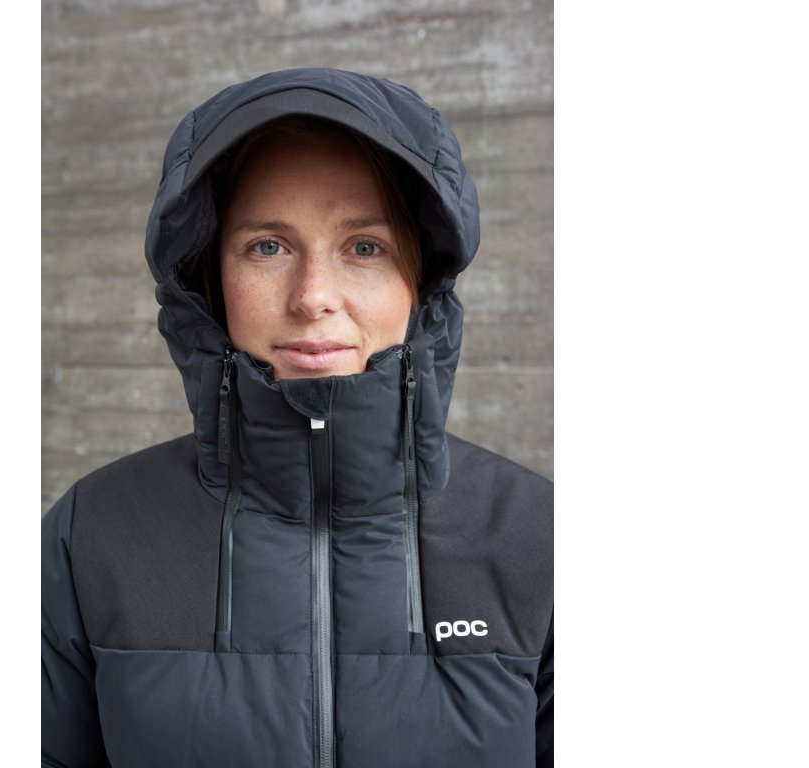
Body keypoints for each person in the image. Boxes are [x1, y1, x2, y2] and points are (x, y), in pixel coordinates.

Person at [42, 67, 553, 767]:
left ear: (420, 280)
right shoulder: (91, 535)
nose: (313, 297)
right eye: (268, 247)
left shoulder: (539, 537)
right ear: (209, 280)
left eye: (364, 247)